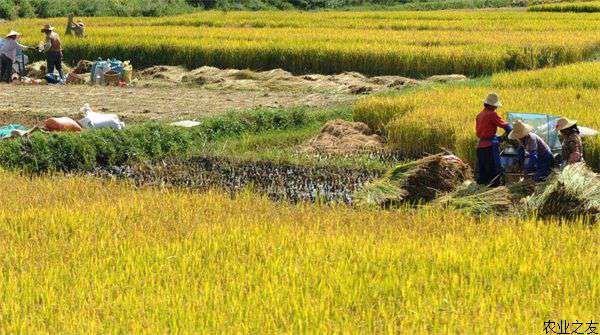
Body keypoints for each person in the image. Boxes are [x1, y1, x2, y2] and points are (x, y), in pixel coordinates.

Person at [476, 93, 512, 186]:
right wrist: (512, 133)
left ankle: (481, 189)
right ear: (492, 105)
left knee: (483, 171)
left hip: (480, 147)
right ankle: (493, 190)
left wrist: (499, 138)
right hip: (489, 147)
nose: (496, 108)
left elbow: (485, 132)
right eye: (495, 106)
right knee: (493, 171)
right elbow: (506, 126)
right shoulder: (492, 114)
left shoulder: (479, 114)